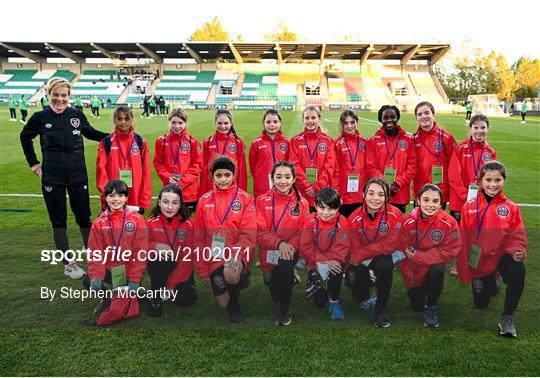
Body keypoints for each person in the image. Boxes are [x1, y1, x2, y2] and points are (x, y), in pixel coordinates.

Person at [20, 77, 108, 279]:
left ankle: (90, 251)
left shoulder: (76, 114)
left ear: (69, 96)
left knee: (84, 216)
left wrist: (116, 136)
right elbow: (25, 137)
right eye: (56, 95)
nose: (60, 99)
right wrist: (33, 162)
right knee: (58, 220)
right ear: (48, 94)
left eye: (64, 95)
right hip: (53, 176)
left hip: (78, 175)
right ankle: (68, 263)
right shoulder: (40, 117)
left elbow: (91, 133)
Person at [456, 161, 527, 338]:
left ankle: (507, 317)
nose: (493, 184)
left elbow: (517, 234)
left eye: (498, 180)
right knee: (481, 304)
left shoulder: (510, 207)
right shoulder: (469, 207)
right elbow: (463, 239)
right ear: (480, 181)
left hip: (502, 256)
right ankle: (489, 282)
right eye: (488, 180)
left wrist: (518, 250)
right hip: (479, 260)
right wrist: (462, 266)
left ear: (504, 180)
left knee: (518, 270)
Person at [194, 156, 256, 323]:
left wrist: (235, 255)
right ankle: (241, 280)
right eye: (218, 175)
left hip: (237, 253)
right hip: (214, 256)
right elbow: (198, 237)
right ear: (212, 177)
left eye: (227, 175)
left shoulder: (244, 199)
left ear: (234, 176)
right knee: (222, 303)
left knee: (230, 273)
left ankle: (235, 306)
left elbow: (248, 235)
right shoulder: (204, 201)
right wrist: (201, 268)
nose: (223, 179)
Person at [399, 184, 461, 328]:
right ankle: (419, 289)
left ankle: (431, 306)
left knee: (437, 270)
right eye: (426, 200)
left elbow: (451, 249)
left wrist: (419, 256)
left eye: (435, 201)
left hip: (432, 264)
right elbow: (402, 248)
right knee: (416, 307)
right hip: (414, 270)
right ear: (418, 201)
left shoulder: (449, 222)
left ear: (441, 203)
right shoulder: (408, 221)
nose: (430, 205)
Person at [83, 180, 148, 316]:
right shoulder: (99, 223)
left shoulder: (137, 220)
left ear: (126, 198)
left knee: (126, 303)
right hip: (110, 270)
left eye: (120, 195)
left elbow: (140, 252)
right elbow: (96, 252)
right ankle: (106, 299)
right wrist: (96, 275)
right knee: (88, 279)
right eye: (111, 196)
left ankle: (136, 290)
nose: (116, 199)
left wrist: (135, 278)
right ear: (105, 198)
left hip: (130, 270)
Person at [256, 161, 309, 326]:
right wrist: (279, 244)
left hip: (291, 249)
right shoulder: (261, 200)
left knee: (285, 267)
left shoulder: (303, 203)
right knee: (274, 290)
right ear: (272, 178)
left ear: (294, 179)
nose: (283, 181)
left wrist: (288, 247)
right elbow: (259, 232)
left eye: (287, 177)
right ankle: (276, 276)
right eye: (278, 177)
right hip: (269, 249)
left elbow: (302, 233)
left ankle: (285, 308)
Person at [347, 178, 403, 328]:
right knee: (356, 291)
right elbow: (353, 248)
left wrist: (362, 256)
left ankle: (381, 309)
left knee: (384, 264)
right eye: (371, 193)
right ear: (363, 194)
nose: (375, 198)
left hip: (381, 256)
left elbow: (389, 246)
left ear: (387, 198)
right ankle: (367, 284)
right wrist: (362, 264)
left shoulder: (395, 214)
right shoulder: (354, 218)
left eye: (380, 195)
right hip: (362, 258)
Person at [146, 184, 200, 317]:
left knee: (185, 301)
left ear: (180, 204)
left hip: (181, 269)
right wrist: (155, 246)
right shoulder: (150, 222)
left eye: (174, 203)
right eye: (165, 202)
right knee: (160, 257)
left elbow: (188, 259)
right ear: (159, 202)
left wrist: (171, 286)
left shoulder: (189, 224)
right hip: (160, 266)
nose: (169, 207)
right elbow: (139, 248)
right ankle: (156, 296)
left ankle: (169, 288)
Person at [300, 188, 350, 320]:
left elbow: (342, 249)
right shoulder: (310, 221)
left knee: (336, 267)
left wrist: (331, 261)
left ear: (338, 206)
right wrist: (322, 261)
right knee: (319, 303)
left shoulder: (343, 222)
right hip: (315, 262)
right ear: (315, 205)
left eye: (331, 209)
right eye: (322, 208)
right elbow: (305, 248)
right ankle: (315, 279)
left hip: (335, 261)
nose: (326, 213)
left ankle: (334, 301)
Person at [96, 106, 152, 213]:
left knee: (133, 227)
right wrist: (108, 194)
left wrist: (144, 200)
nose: (123, 122)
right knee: (113, 227)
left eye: (126, 119)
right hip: (114, 196)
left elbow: (146, 172)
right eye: (119, 119)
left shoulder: (140, 142)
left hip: (135, 194)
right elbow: (101, 171)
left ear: (131, 120)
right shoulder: (106, 142)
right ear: (114, 120)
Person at [366, 105, 416, 213]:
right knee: (378, 226)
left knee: (396, 226)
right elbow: (370, 167)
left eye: (393, 117)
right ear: (381, 119)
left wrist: (397, 183)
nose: (389, 120)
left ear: (397, 118)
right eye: (385, 118)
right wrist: (385, 184)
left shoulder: (408, 140)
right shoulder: (373, 141)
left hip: (399, 191)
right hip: (379, 192)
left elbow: (412, 167)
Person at [153, 108, 202, 215]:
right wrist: (167, 177)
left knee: (185, 223)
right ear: (169, 122)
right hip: (168, 189)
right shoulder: (161, 141)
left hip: (188, 192)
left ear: (185, 123)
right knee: (169, 222)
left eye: (180, 123)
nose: (177, 126)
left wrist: (182, 183)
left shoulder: (192, 141)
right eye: (173, 122)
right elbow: (157, 163)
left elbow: (197, 165)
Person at [449, 114, 497, 222]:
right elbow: (453, 177)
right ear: (470, 129)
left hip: (481, 202)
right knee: (458, 237)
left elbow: (493, 178)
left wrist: (483, 197)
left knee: (478, 235)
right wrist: (465, 196)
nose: (479, 131)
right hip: (460, 202)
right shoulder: (460, 149)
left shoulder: (490, 152)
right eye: (476, 127)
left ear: (488, 129)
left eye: (483, 127)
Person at [289, 106, 336, 211]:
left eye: (313, 118)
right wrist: (306, 186)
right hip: (301, 192)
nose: (310, 121)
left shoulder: (328, 141)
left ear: (319, 119)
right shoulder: (295, 141)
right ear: (303, 120)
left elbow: (329, 168)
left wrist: (316, 187)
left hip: (322, 192)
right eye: (307, 118)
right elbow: (294, 166)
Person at [412, 101, 456, 209]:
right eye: (420, 114)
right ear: (417, 118)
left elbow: (454, 166)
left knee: (437, 224)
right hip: (420, 192)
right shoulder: (412, 139)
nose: (423, 116)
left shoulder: (446, 137)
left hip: (440, 191)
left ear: (433, 115)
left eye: (427, 113)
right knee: (420, 224)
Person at [200, 109, 247, 195]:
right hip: (212, 188)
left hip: (232, 187)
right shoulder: (207, 142)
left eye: (226, 123)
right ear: (215, 123)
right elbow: (204, 170)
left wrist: (241, 192)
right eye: (219, 123)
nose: (222, 126)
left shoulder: (238, 142)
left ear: (231, 123)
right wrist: (204, 193)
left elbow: (242, 169)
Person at [333, 109, 367, 218]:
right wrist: (336, 192)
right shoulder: (337, 144)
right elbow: (335, 171)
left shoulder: (365, 142)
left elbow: (369, 168)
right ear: (342, 125)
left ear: (357, 123)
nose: (349, 126)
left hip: (361, 195)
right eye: (346, 123)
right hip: (344, 196)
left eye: (352, 122)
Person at [249, 109, 290, 200]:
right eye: (268, 122)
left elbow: (289, 164)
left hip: (282, 183)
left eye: (275, 122)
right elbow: (253, 168)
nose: (272, 125)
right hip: (262, 185)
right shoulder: (256, 143)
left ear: (280, 123)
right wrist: (261, 177)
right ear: (264, 123)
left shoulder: (287, 142)